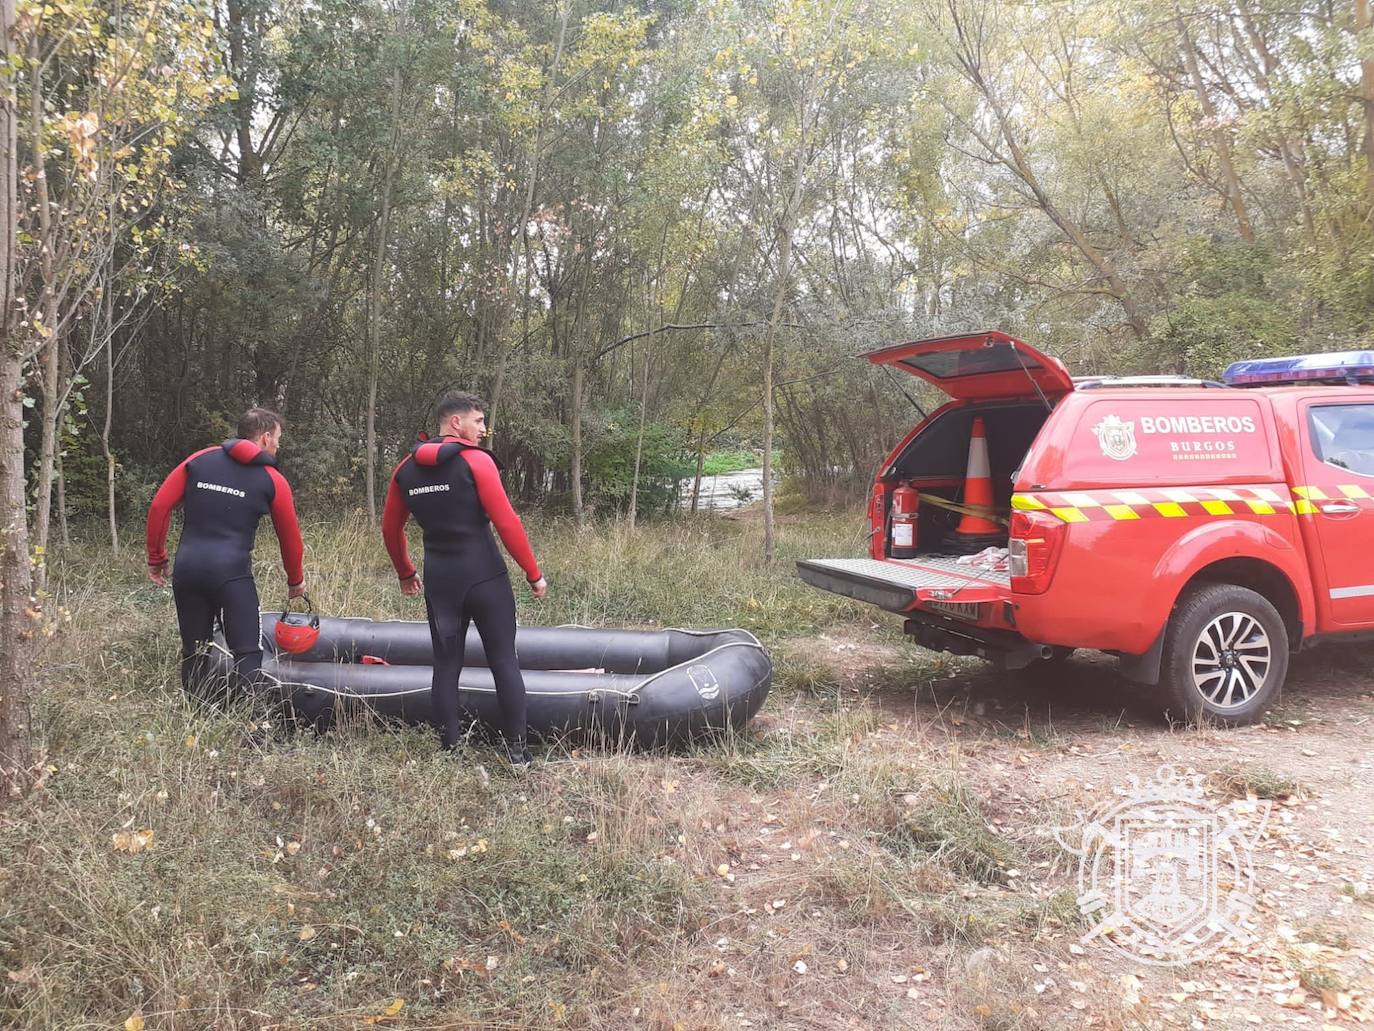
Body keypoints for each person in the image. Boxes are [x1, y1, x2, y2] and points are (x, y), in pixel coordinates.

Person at [382, 391, 547, 765]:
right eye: (479, 421)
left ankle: (451, 752)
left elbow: (391, 530)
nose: (483, 429)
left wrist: (405, 572)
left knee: (446, 665)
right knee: (504, 660)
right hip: (485, 576)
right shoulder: (476, 462)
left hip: (441, 582)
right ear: (456, 422)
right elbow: (507, 522)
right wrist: (533, 573)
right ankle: (518, 753)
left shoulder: (406, 469)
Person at [146, 408, 306, 700]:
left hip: (188, 570)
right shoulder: (272, 479)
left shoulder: (200, 460)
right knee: (247, 652)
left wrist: (157, 559)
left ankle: (194, 716)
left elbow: (159, 507)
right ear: (265, 437)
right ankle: (250, 727)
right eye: (278, 439)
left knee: (195, 648)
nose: (278, 446)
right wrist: (295, 580)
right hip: (231, 576)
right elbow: (290, 538)